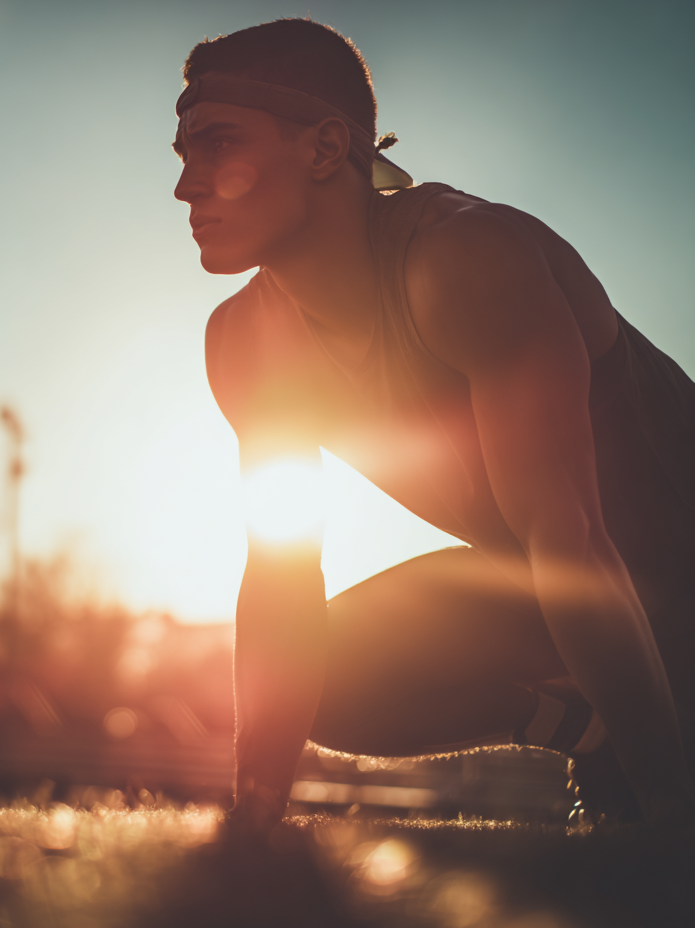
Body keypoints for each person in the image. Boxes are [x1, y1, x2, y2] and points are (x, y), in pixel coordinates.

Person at [172, 18, 695, 829]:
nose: (185, 186)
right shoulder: (246, 342)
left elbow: (573, 541)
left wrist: (669, 810)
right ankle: (586, 732)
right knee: (324, 675)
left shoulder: (464, 258)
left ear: (324, 149)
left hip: (652, 570)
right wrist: (255, 815)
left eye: (219, 144)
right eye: (183, 154)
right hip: (558, 587)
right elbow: (282, 578)